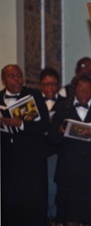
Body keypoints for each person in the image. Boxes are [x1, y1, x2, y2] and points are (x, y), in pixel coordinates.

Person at [48, 74, 91, 226]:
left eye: (87, 90)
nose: (84, 94)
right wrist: (59, 131)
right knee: (70, 218)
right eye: (80, 90)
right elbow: (51, 138)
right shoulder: (62, 107)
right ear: (74, 91)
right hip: (69, 173)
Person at [0, 64, 50, 226]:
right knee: (10, 209)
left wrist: (21, 124)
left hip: (32, 163)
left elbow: (44, 125)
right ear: (4, 80)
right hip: (7, 164)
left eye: (19, 75)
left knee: (34, 210)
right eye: (12, 76)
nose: (17, 79)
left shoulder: (34, 95)